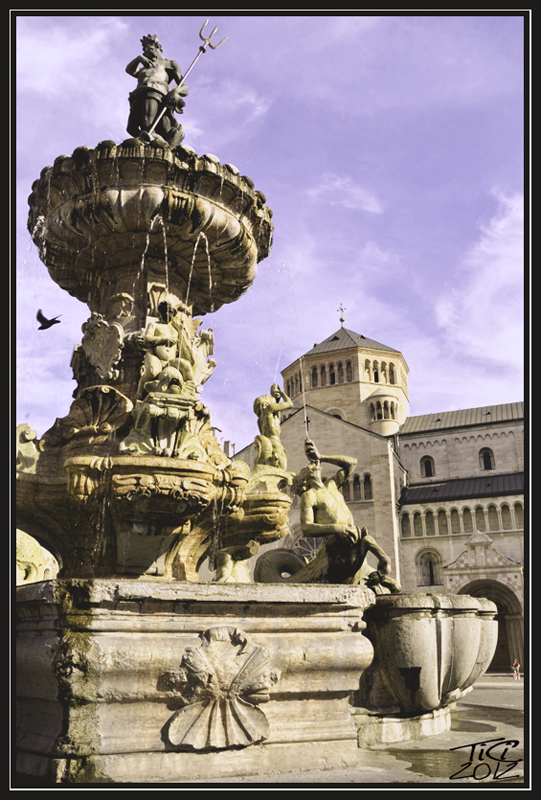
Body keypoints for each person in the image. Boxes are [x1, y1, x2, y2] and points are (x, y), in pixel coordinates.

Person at [290, 439, 401, 589]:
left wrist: (321, 456)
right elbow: (306, 528)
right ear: (303, 480)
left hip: (352, 545)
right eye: (304, 469)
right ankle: (379, 574)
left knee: (368, 541)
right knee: (367, 540)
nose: (310, 465)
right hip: (337, 554)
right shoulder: (310, 495)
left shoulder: (332, 484)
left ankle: (380, 572)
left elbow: (351, 463)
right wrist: (338, 528)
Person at [125, 34, 188, 146]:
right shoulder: (145, 67)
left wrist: (175, 91)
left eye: (149, 48)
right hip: (138, 94)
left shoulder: (169, 64)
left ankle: (154, 142)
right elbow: (129, 70)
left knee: (147, 122)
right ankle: (155, 140)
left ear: (157, 48)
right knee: (131, 128)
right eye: (144, 50)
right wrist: (139, 58)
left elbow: (184, 88)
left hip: (154, 92)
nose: (146, 52)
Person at [253, 385, 293, 469]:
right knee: (282, 471)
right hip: (276, 445)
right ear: (266, 403)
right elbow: (290, 404)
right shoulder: (270, 408)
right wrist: (282, 393)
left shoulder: (260, 420)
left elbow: (276, 415)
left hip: (268, 447)